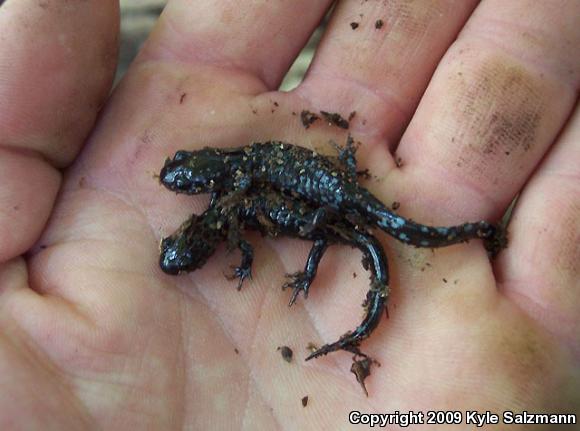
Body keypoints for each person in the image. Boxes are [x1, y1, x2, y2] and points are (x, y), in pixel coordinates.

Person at [0, 1, 578, 428]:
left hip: (333, 190)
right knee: (376, 234)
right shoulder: (234, 176)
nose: (179, 182)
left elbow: (256, 213)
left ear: (205, 178)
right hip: (328, 187)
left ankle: (473, 231)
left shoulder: (236, 183)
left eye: (184, 174)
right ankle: (464, 234)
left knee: (392, 230)